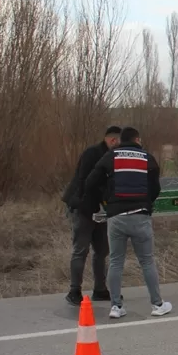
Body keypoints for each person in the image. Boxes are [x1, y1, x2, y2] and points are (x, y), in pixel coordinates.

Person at [84, 126, 173, 320]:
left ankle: (116, 306)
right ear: (137, 139)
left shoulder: (110, 157)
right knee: (147, 261)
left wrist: (108, 197)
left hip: (116, 216)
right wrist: (146, 202)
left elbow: (90, 182)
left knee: (116, 261)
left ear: (120, 140)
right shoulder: (147, 158)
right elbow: (155, 188)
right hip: (140, 215)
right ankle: (157, 304)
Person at [61, 125, 121, 306]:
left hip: (102, 210)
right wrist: (88, 207)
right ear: (112, 140)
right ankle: (74, 291)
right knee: (81, 250)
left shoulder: (112, 156)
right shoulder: (92, 153)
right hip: (84, 208)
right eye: (119, 142)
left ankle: (100, 289)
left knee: (102, 251)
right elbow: (83, 182)